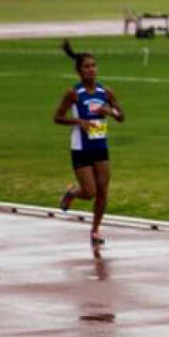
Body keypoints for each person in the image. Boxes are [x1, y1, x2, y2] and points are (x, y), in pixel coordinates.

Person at [53, 40, 125, 246]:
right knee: (89, 192)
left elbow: (122, 116)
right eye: (86, 67)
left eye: (93, 66)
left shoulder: (106, 93)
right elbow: (57, 118)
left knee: (103, 191)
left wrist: (110, 111)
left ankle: (95, 230)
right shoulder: (73, 94)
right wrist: (79, 121)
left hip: (100, 147)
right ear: (79, 71)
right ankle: (72, 192)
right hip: (81, 148)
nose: (91, 70)